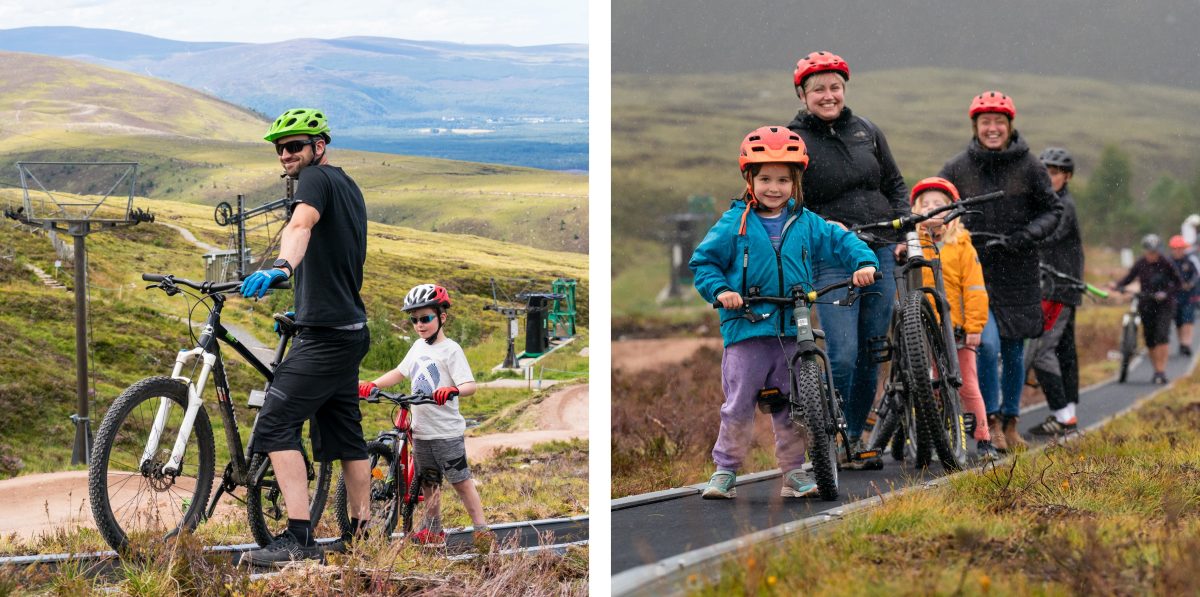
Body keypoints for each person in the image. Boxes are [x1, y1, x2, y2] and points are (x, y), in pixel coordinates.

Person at [690, 125, 878, 499]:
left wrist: (863, 261)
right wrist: (723, 290)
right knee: (739, 405)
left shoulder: (807, 223)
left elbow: (843, 240)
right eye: (765, 179)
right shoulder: (734, 223)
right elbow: (703, 263)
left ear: (795, 183)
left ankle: (794, 472)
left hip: (795, 328)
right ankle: (725, 470)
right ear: (749, 179)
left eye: (782, 180)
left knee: (795, 408)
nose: (773, 188)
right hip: (746, 329)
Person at [241, 108, 372, 565]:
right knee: (345, 438)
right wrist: (304, 308)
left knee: (275, 422)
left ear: (319, 147)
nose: (286, 155)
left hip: (327, 339)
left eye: (295, 145)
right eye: (280, 148)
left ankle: (299, 539)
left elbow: (301, 227)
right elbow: (337, 258)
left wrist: (281, 267)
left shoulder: (313, 182)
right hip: (346, 328)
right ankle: (363, 534)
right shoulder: (348, 185)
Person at [786, 51, 908, 467]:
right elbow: (787, 201)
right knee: (841, 353)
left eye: (834, 87)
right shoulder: (794, 140)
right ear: (803, 95)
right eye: (818, 89)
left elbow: (894, 183)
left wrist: (903, 228)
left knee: (872, 350)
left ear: (844, 90)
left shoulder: (867, 131)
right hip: (831, 257)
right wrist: (824, 226)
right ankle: (825, 434)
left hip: (880, 250)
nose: (828, 95)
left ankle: (855, 436)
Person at [937, 91, 1062, 452]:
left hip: (1019, 271)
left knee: (1014, 351)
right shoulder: (957, 167)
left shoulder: (1031, 167)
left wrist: (1023, 237)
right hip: (973, 274)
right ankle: (988, 421)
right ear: (975, 126)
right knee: (986, 346)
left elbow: (1052, 212)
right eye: (985, 122)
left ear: (1010, 125)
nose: (992, 129)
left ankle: (1010, 422)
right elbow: (939, 208)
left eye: (999, 122)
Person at [358, 284, 493, 549]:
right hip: (421, 430)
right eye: (414, 320)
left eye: (426, 318)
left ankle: (482, 530)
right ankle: (433, 529)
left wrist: (452, 390)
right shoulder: (418, 347)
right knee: (429, 481)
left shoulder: (451, 350)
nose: (420, 325)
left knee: (461, 482)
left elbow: (470, 385)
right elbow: (400, 372)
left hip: (446, 432)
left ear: (442, 317)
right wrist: (373, 384)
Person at [909, 177, 997, 460]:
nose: (933, 209)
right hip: (922, 327)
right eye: (927, 205)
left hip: (956, 328)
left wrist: (974, 326)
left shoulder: (962, 246)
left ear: (953, 212)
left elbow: (975, 290)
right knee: (928, 384)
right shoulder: (914, 243)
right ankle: (935, 436)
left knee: (966, 383)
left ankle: (983, 437)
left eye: (940, 205)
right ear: (917, 211)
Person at [1028, 148, 1085, 436]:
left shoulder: (1062, 206)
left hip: (1057, 288)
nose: (1048, 178)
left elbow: (1046, 236)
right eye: (1044, 173)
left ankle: (1064, 417)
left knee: (1041, 352)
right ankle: (1066, 413)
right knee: (1064, 352)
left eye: (1054, 173)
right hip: (1061, 286)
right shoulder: (1053, 202)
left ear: (1067, 176)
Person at [1110, 235, 1184, 384]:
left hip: (1164, 305)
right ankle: (1156, 369)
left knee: (1162, 336)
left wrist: (1165, 293)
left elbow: (1178, 283)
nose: (1152, 256)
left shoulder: (1166, 263)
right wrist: (1117, 285)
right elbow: (1129, 278)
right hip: (1146, 304)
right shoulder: (1141, 263)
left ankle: (1161, 371)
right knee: (1150, 338)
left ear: (1159, 251)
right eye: (1149, 252)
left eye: (1154, 252)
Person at [1168, 235, 1199, 357]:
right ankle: (1181, 343)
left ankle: (1187, 343)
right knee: (1179, 320)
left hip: (1189, 295)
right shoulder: (1168, 262)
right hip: (1175, 295)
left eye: (1180, 248)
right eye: (1176, 248)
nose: (1178, 251)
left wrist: (1190, 284)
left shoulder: (1191, 259)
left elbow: (1197, 274)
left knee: (1188, 319)